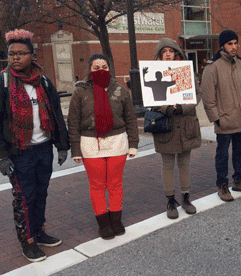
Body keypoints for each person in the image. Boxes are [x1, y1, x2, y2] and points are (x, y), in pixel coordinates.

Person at [0, 29, 69, 262]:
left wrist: (61, 145)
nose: (15, 58)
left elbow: (56, 113)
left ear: (32, 55)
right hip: (19, 151)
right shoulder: (4, 82)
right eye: (11, 54)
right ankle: (27, 241)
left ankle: (39, 232)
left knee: (41, 192)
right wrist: (2, 156)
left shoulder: (44, 81)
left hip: (43, 147)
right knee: (24, 197)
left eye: (21, 53)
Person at [67, 53, 139, 239]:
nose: (101, 71)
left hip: (117, 142)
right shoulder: (80, 91)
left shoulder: (120, 90)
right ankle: (104, 223)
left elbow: (130, 118)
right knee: (97, 186)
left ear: (110, 69)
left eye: (104, 67)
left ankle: (116, 220)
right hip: (90, 143)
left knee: (115, 184)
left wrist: (133, 144)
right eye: (96, 68)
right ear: (89, 70)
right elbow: (73, 122)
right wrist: (75, 149)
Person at [201, 29, 241, 202]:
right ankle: (222, 185)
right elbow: (207, 96)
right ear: (222, 45)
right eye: (229, 44)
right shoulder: (213, 66)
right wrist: (216, 118)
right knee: (222, 155)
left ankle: (239, 180)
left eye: (235, 43)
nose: (233, 47)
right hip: (224, 120)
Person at [151, 38, 201, 219]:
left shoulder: (186, 70)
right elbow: (150, 98)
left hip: (186, 123)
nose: (168, 54)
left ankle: (186, 197)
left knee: (185, 163)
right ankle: (171, 200)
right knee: (168, 165)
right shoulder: (152, 72)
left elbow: (197, 94)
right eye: (164, 51)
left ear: (176, 53)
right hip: (166, 124)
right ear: (159, 55)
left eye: (171, 51)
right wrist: (166, 108)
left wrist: (183, 107)